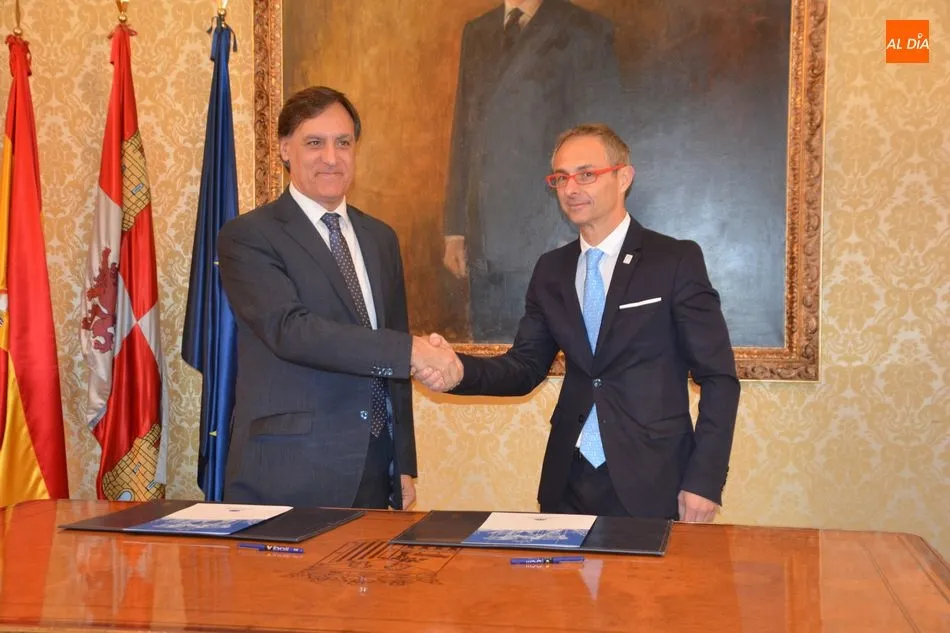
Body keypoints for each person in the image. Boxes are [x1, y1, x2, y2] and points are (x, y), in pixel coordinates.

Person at [421, 124, 740, 521]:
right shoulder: (551, 270)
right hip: (567, 480)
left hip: (654, 479)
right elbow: (524, 367)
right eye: (561, 178)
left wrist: (705, 480)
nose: (571, 189)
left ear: (623, 177)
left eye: (586, 174)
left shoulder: (674, 260)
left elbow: (718, 377)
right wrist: (458, 371)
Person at [217, 86, 459, 510]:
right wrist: (412, 351)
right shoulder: (249, 236)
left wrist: (402, 463)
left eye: (343, 143)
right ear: (285, 149)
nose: (332, 157)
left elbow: (392, 338)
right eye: (315, 143)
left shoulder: (380, 237)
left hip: (373, 466)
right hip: (289, 470)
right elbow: (291, 331)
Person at [443, 0, 621, 342]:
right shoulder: (477, 31)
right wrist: (455, 229)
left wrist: (577, 228)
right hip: (485, 239)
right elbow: (464, 134)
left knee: (549, 353)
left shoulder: (586, 30)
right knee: (491, 355)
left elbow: (602, 146)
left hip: (549, 232)